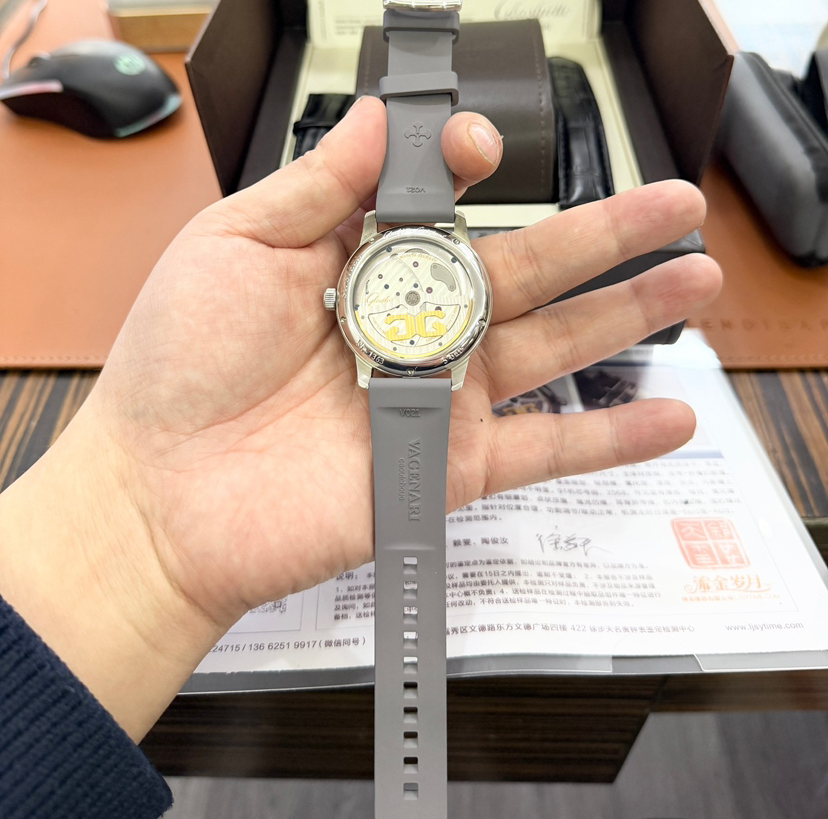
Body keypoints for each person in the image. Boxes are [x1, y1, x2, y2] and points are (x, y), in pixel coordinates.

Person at [0, 98, 721, 818]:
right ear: (341, 301)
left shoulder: (417, 297)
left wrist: (138, 538)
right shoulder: (382, 293)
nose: (409, 294)